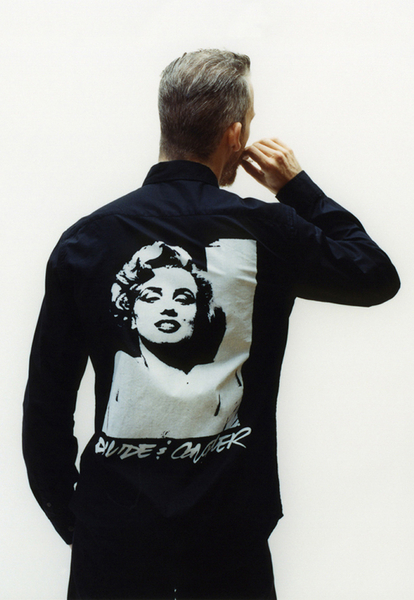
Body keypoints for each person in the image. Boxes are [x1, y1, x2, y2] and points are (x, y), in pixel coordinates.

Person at [23, 49, 400, 600]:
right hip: (229, 548)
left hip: (114, 545)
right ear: (235, 134)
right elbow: (374, 274)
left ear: (166, 122)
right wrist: (296, 186)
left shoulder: (87, 240)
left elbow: (45, 408)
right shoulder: (268, 230)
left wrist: (81, 524)